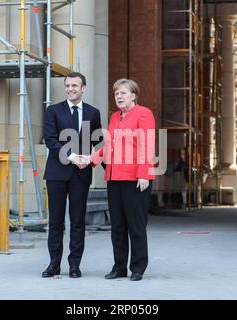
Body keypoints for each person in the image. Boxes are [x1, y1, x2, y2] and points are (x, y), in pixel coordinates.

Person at [90, 78, 156, 281]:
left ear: (133, 95)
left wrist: (144, 173)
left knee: (135, 225)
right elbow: (108, 146)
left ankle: (137, 268)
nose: (118, 96)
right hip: (114, 177)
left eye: (123, 93)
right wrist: (91, 159)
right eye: (116, 93)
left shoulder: (144, 113)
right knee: (117, 226)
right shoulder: (114, 118)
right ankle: (119, 267)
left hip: (136, 179)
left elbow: (147, 144)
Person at [43, 72, 102, 278]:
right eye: (67, 86)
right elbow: (50, 140)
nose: (70, 89)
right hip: (57, 172)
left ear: (83, 88)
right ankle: (54, 264)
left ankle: (75, 265)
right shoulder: (53, 111)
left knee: (77, 221)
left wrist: (94, 158)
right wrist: (72, 156)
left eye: (74, 86)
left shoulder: (93, 113)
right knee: (56, 221)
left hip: (81, 174)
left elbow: (97, 141)